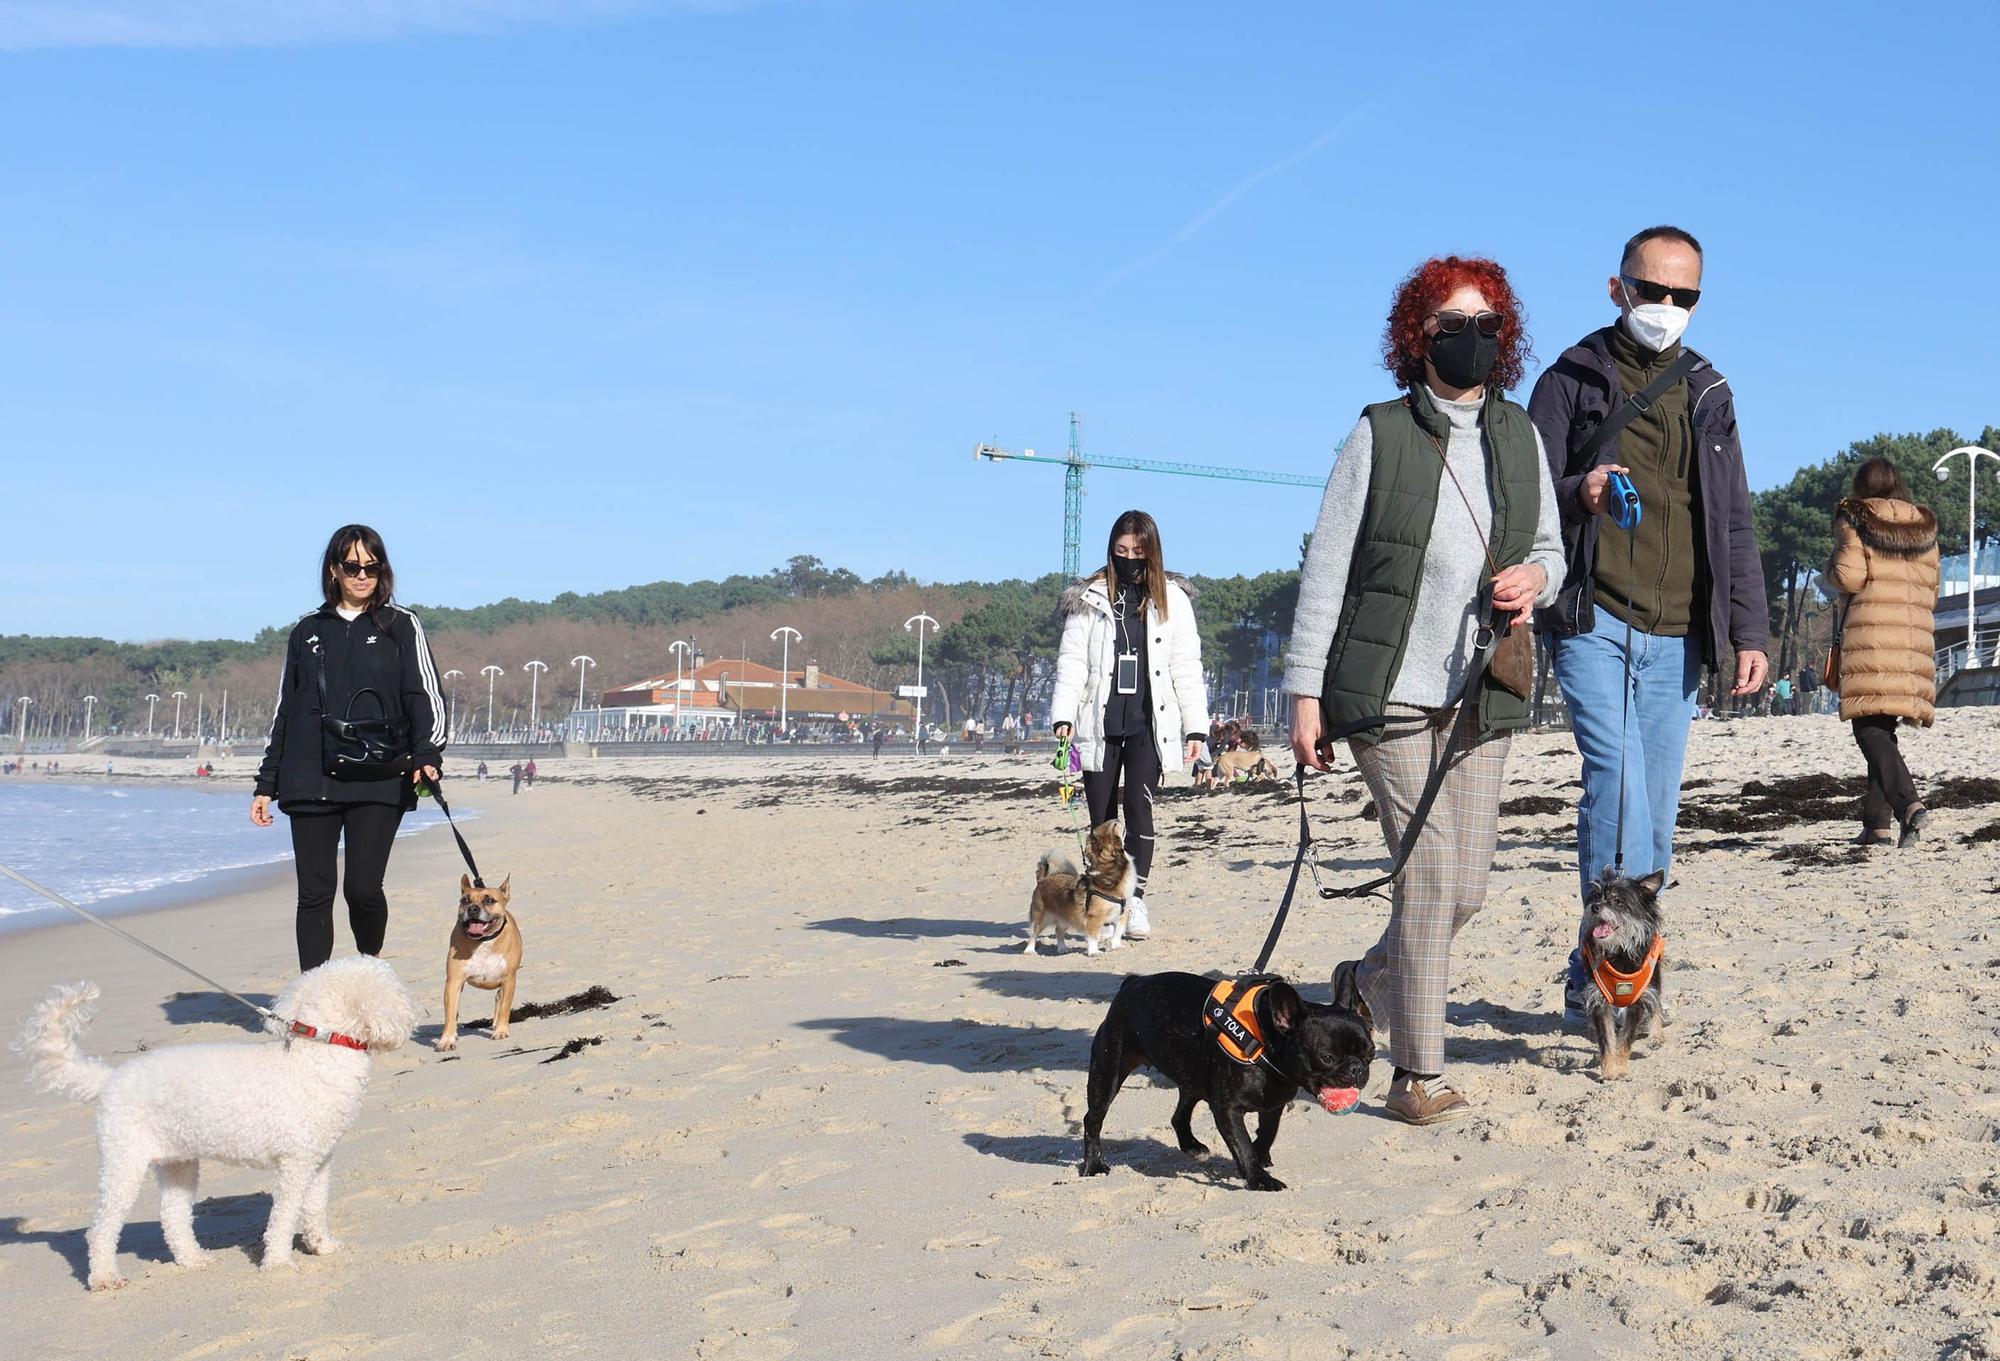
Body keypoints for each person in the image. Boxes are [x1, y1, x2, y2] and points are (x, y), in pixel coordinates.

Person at [1287, 255, 1564, 1125]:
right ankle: (1417, 1075)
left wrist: (1536, 578)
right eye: (1453, 323)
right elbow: (1325, 570)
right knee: (1432, 870)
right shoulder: (1378, 432)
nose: (1472, 337)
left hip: (1484, 693)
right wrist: (1304, 692)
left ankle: (1364, 982)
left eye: (1488, 322)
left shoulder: (1519, 436)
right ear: (1420, 336)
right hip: (1387, 690)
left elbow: (1552, 548)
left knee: (1467, 887)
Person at [1528, 227, 1769, 1025]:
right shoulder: (1570, 377)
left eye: (1684, 296)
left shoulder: (1710, 390)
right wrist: (1582, 489)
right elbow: (1525, 493)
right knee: (1616, 781)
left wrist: (1750, 631)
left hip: (1680, 632)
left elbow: (1733, 519)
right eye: (1652, 290)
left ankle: (1639, 969)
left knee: (1656, 810)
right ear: (1616, 288)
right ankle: (1593, 971)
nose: (1666, 307)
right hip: (1592, 615)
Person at [253, 524, 445, 972]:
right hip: (309, 777)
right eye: (352, 566)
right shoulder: (306, 630)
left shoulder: (401, 625)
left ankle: (368, 972)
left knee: (362, 889)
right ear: (334, 570)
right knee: (314, 894)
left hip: (378, 776)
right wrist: (266, 783)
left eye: (372, 567)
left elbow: (424, 694)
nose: (363, 576)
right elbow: (286, 708)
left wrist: (427, 754)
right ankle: (313, 997)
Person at [1051, 510, 1211, 942]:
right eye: (1121, 551)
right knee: (1101, 820)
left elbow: (1186, 666)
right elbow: (1071, 662)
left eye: (1137, 552)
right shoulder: (1089, 598)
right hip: (1096, 725)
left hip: (1149, 725)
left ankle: (1133, 901)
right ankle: (1101, 904)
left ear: (1152, 551)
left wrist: (1196, 728)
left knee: (1140, 812)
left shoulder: (1172, 599)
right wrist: (1063, 717)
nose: (1129, 559)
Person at [1829, 457, 1940, 846]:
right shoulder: (1924, 527)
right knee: (1882, 727)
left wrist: (1830, 568)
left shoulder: (1855, 517)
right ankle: (1876, 824)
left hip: (1873, 636)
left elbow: (1849, 576)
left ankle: (1909, 805)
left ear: (1861, 486)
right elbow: (1933, 587)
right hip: (1913, 641)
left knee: (1869, 728)